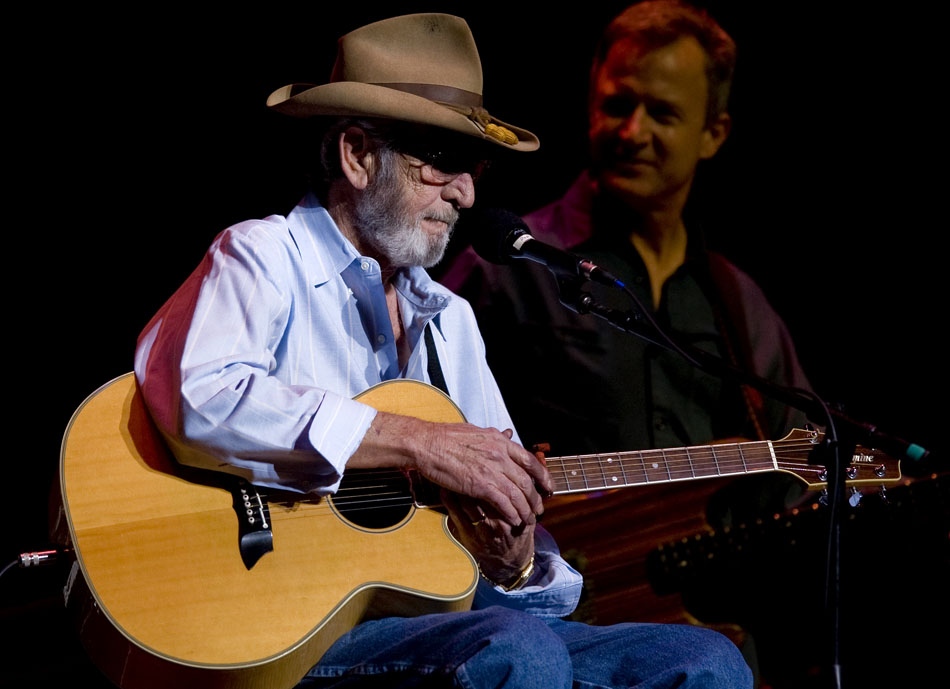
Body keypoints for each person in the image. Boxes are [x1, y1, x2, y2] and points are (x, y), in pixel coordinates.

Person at [133, 13, 751, 689]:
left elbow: (509, 539)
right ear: (358, 155)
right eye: (443, 163)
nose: (467, 193)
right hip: (282, 620)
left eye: (475, 167)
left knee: (708, 659)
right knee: (515, 652)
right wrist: (414, 442)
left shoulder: (451, 320)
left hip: (438, 621)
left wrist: (512, 556)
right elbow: (200, 392)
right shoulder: (263, 256)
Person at [440, 0, 812, 521]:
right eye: (618, 106)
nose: (632, 132)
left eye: (662, 113)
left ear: (714, 134)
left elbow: (799, 470)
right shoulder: (510, 265)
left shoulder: (737, 302)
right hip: (552, 582)